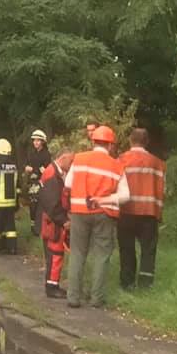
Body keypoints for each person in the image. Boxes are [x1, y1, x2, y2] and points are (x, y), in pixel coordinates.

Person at [64, 125, 128, 308]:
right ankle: (96, 298)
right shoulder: (116, 166)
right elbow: (125, 196)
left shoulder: (80, 159)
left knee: (77, 253)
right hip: (104, 214)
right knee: (101, 255)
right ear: (110, 145)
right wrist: (106, 198)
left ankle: (73, 298)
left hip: (79, 213)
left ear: (93, 141)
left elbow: (68, 183)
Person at [118, 128, 166, 289]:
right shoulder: (157, 163)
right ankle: (146, 284)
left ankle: (127, 283)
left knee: (126, 248)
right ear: (147, 142)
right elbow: (161, 192)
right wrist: (159, 214)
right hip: (149, 213)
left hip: (126, 212)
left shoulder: (121, 160)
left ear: (130, 140)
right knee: (148, 250)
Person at [36, 151, 74, 298]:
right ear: (63, 158)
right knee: (55, 253)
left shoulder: (53, 172)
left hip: (50, 221)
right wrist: (64, 221)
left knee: (53, 254)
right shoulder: (52, 174)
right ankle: (52, 287)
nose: (71, 167)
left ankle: (52, 284)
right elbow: (52, 203)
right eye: (70, 163)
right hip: (53, 222)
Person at [24, 129, 52, 235]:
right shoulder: (31, 153)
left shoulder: (46, 154)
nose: (35, 142)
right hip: (31, 182)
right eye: (34, 140)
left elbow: (45, 170)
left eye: (38, 140)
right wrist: (26, 168)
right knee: (32, 205)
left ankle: (39, 228)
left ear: (43, 142)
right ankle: (33, 226)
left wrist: (35, 170)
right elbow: (26, 164)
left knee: (39, 205)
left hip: (41, 183)